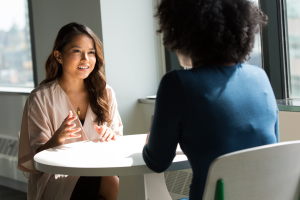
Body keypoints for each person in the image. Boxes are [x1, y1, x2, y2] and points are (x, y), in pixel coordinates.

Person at [143, 0, 278, 199]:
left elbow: (157, 162)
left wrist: (150, 139)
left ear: (184, 31)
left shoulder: (177, 84)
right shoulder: (260, 77)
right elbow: (273, 151)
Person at [18, 22, 122, 200]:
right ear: (59, 56)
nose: (86, 59)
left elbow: (118, 143)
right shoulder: (40, 98)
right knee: (110, 181)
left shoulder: (106, 93)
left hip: (98, 169)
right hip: (55, 177)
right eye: (77, 51)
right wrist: (56, 140)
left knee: (112, 179)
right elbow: (37, 161)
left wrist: (110, 136)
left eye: (91, 52)